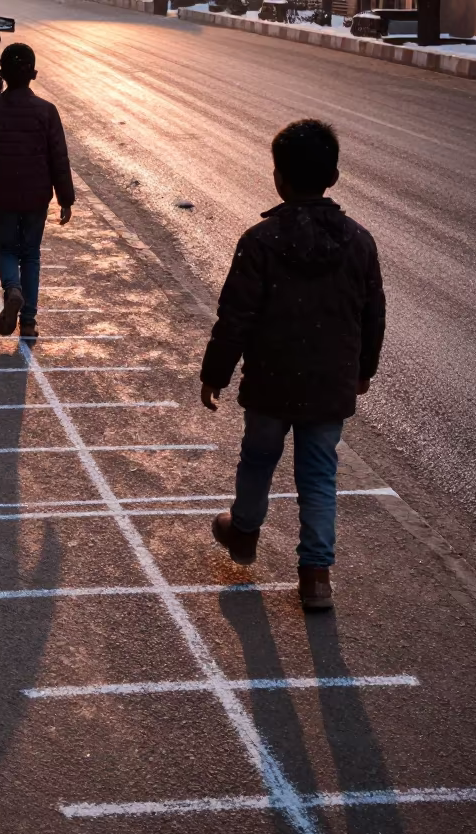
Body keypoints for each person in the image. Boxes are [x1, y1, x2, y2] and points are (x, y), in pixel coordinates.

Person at [199, 119, 386, 612]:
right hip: (329, 383)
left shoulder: (261, 241)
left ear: (278, 177)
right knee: (319, 474)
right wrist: (364, 368)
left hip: (271, 380)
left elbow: (235, 316)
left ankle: (243, 533)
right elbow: (372, 314)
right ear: (335, 176)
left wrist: (215, 372)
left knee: (259, 458)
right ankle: (316, 575)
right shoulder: (359, 242)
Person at [0, 43, 74, 341]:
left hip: (2, 193)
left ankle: (12, 288)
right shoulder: (47, 112)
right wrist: (66, 199)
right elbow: (58, 158)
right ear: (34, 74)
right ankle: (28, 321)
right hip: (37, 194)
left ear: (1, 74)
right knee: (32, 255)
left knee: (8, 249)